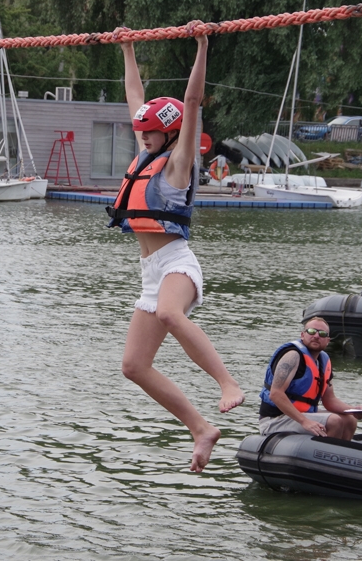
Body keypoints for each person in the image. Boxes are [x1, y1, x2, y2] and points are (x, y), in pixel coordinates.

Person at [106, 24, 244, 473]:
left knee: (170, 313)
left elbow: (191, 102)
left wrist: (202, 46)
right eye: (140, 132)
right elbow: (135, 95)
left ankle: (226, 382)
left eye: (150, 132)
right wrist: (127, 49)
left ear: (169, 135)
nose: (143, 137)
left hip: (178, 265)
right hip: (150, 272)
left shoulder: (179, 161)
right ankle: (201, 428)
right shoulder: (145, 152)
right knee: (133, 366)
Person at [259, 317, 362, 439]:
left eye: (322, 333)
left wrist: (353, 410)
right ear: (303, 335)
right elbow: (275, 394)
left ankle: (340, 455)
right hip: (275, 419)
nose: (316, 336)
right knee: (334, 421)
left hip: (303, 414)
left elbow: (329, 400)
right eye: (311, 331)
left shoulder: (323, 361)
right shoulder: (292, 356)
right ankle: (324, 455)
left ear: (328, 341)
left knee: (350, 420)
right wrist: (305, 421)